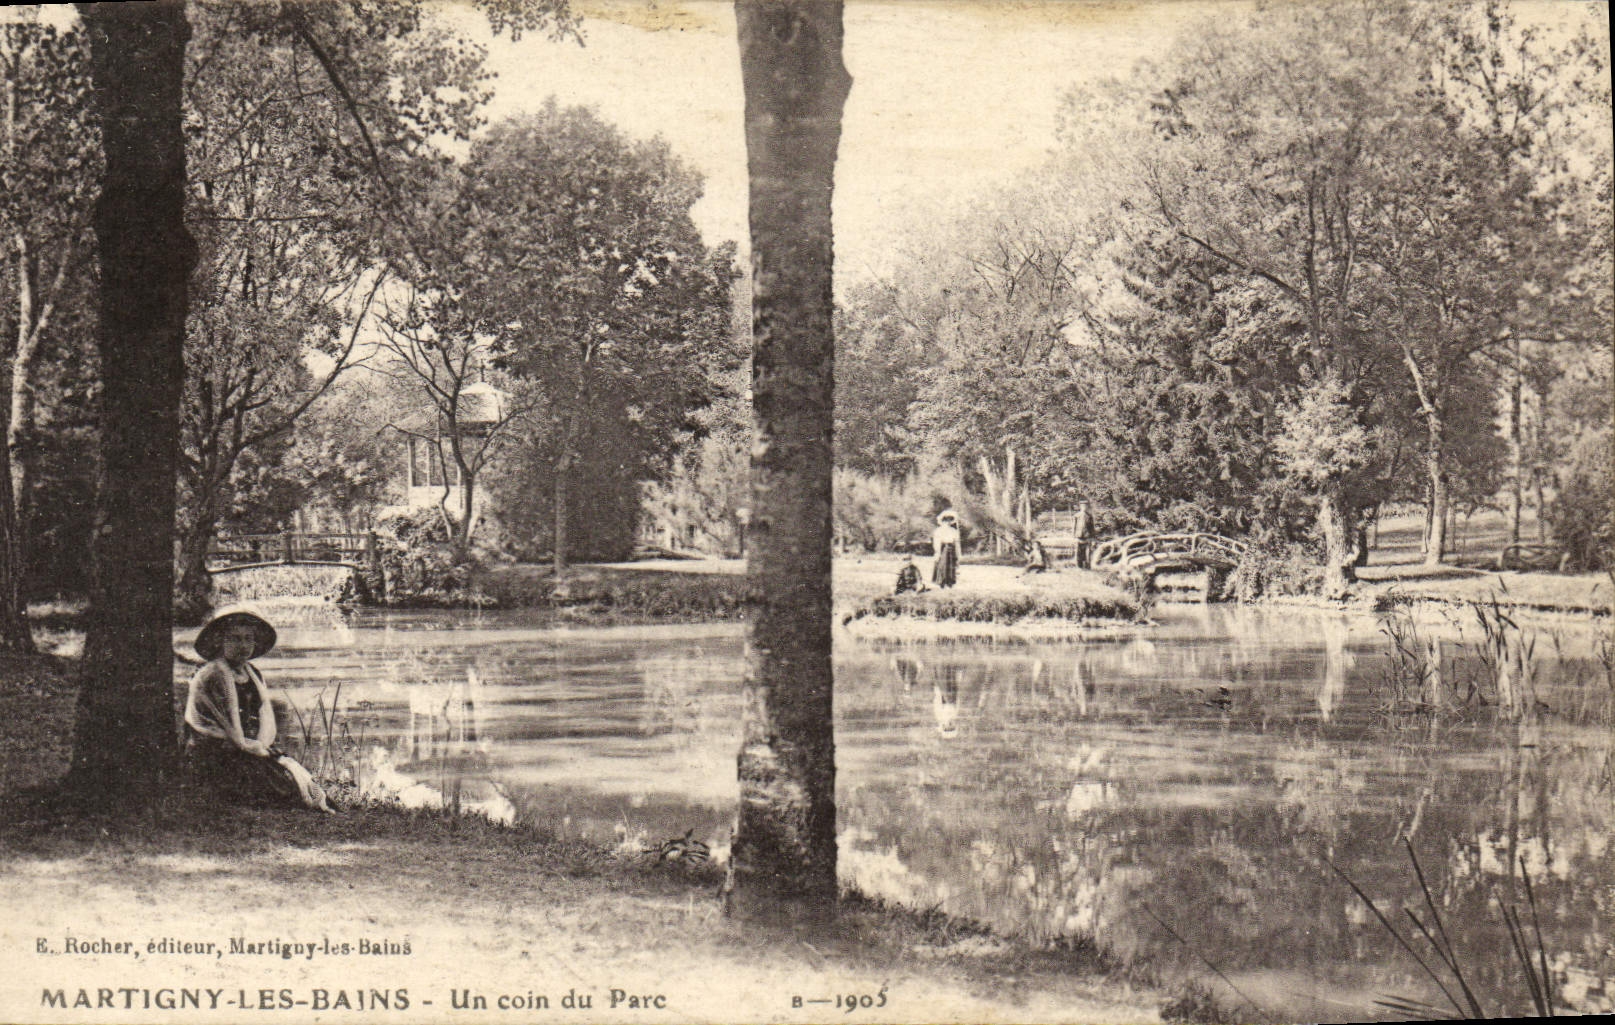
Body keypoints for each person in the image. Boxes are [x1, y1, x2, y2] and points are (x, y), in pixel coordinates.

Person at [183, 604, 333, 812]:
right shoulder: (214, 674)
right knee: (270, 781)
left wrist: (261, 746)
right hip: (213, 750)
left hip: (241, 746)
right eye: (235, 638)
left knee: (287, 774)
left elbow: (261, 719)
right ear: (221, 642)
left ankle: (313, 801)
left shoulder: (251, 672)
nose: (242, 645)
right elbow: (230, 728)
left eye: (248, 639)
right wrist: (252, 748)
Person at [931, 510, 960, 589]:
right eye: (946, 520)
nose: (948, 522)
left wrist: (958, 553)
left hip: (952, 549)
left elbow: (956, 542)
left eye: (950, 520)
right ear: (943, 520)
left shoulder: (953, 531)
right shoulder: (939, 530)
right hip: (943, 549)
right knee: (943, 565)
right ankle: (942, 583)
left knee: (951, 566)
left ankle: (950, 583)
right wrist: (938, 552)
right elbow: (937, 542)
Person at [1073, 501, 1095, 569]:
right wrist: (1074, 536)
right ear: (1080, 507)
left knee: (1088, 552)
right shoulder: (1076, 515)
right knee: (1078, 552)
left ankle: (1087, 566)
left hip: (1087, 536)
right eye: (1083, 506)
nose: (1084, 508)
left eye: (1086, 506)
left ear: (1087, 507)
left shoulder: (1089, 516)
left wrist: (1092, 537)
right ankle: (1079, 566)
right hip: (1078, 536)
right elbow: (1074, 526)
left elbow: (1092, 527)